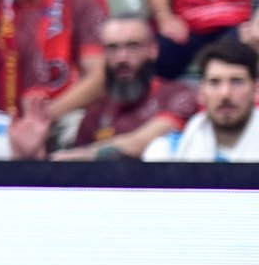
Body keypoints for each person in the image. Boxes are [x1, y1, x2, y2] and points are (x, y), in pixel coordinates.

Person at [48, 16, 199, 160]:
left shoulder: (177, 95)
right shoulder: (96, 111)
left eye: (132, 46)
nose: (122, 58)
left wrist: (81, 155)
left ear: (153, 50)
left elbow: (139, 144)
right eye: (112, 48)